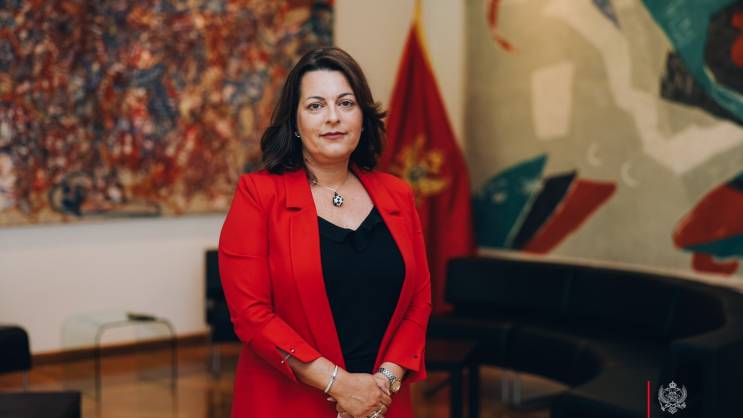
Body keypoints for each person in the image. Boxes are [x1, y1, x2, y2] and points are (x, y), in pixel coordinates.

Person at [218, 47, 432, 418]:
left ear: (363, 117)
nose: (333, 117)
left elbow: (419, 300)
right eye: (316, 106)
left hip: (383, 404)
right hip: (289, 404)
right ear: (295, 122)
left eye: (346, 103)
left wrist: (383, 383)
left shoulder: (397, 194)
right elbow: (251, 314)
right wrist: (341, 385)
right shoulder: (259, 195)